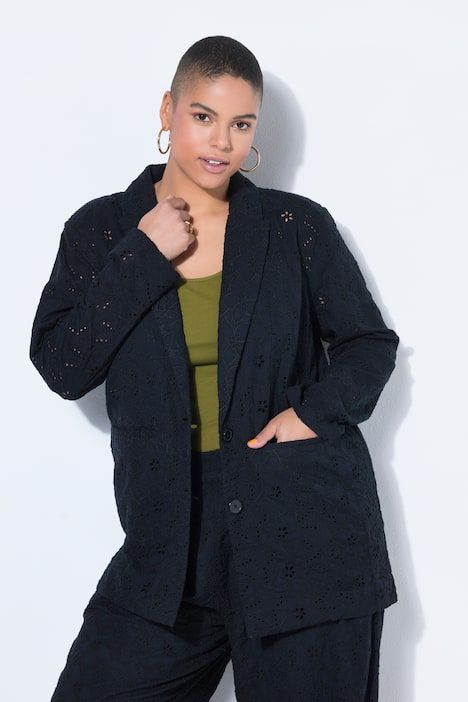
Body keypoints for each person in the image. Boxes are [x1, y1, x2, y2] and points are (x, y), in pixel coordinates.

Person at [30, 35, 399, 701]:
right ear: (167, 111)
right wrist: (142, 254)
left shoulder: (295, 226)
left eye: (241, 123)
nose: (221, 142)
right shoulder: (101, 231)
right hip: (167, 553)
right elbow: (62, 365)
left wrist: (311, 415)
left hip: (304, 537)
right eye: (203, 116)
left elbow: (368, 343)